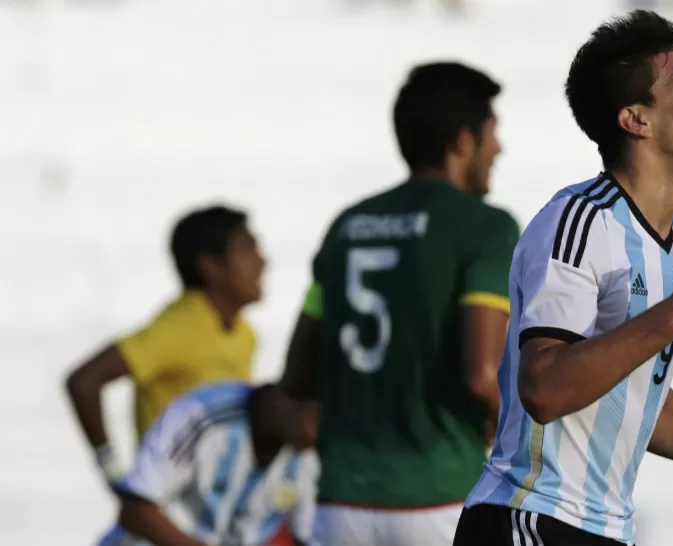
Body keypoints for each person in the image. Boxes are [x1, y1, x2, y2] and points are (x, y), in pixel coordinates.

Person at [454, 10, 673, 546]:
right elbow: (545, 388)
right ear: (636, 120)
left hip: (604, 529)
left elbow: (631, 395)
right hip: (531, 518)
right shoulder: (578, 220)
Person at [280, 61, 518, 546]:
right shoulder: (486, 227)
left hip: (340, 504)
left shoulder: (347, 226)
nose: (500, 149)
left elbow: (296, 377)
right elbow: (481, 372)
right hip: (439, 497)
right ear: (462, 141)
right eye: (492, 133)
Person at [64, 204, 265, 486]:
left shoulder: (245, 334)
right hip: (167, 508)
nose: (262, 262)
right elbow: (84, 381)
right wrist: (112, 472)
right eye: (248, 250)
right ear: (210, 267)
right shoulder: (180, 327)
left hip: (210, 510)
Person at [95, 382, 320, 546]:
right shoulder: (204, 414)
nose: (319, 432)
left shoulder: (311, 453)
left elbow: (306, 535)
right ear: (285, 399)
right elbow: (135, 511)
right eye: (317, 416)